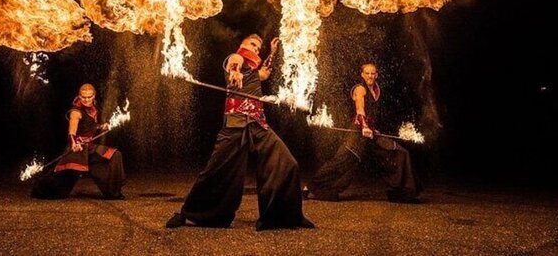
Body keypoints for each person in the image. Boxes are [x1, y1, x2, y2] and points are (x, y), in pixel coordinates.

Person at [166, 34, 314, 231]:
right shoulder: (236, 58)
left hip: (258, 123)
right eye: (252, 44)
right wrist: (235, 72)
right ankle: (192, 215)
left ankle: (286, 217)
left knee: (286, 163)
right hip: (235, 124)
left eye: (258, 47)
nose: (255, 49)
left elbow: (265, 73)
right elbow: (234, 62)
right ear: (241, 45)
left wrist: (272, 53)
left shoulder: (254, 69)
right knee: (217, 169)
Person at [303, 63, 421, 203]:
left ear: (376, 74)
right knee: (342, 160)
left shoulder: (377, 89)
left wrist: (373, 128)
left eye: (373, 73)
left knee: (399, 152)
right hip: (358, 132)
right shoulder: (360, 89)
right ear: (362, 75)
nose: (370, 76)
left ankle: (403, 193)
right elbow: (360, 109)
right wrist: (365, 126)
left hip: (371, 133)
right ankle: (311, 188)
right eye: (367, 73)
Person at [31, 83, 125, 200]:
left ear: (94, 96)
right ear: (79, 96)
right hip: (77, 150)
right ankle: (41, 188)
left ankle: (113, 192)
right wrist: (74, 144)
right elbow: (72, 132)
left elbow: (89, 126)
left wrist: (101, 127)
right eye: (83, 97)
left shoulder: (93, 109)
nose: (86, 100)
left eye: (89, 97)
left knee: (115, 155)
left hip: (89, 148)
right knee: (62, 184)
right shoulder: (76, 112)